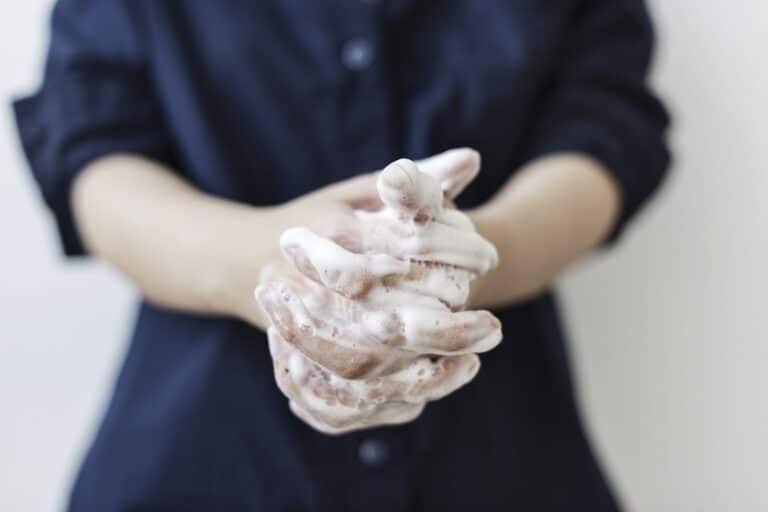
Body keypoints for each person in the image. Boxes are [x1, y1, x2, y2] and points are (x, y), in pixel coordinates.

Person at [13, 0, 670, 510]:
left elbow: (601, 135)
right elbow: (95, 158)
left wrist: (457, 259)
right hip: (205, 458)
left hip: (500, 461)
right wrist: (280, 270)